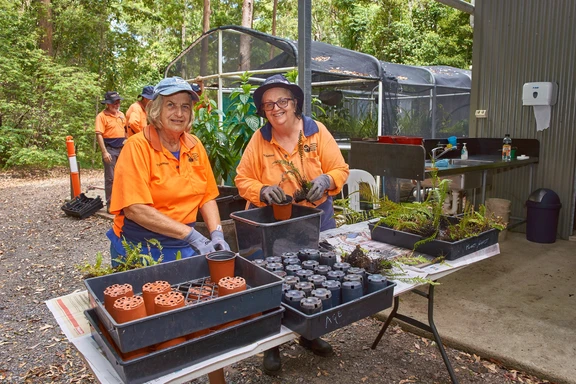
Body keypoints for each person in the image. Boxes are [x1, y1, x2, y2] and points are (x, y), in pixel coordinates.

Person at [234, 74, 349, 375]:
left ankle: (309, 334)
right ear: (263, 109)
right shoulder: (260, 139)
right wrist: (260, 191)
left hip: (314, 219)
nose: (276, 108)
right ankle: (271, 344)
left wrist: (326, 180)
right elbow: (242, 178)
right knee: (271, 281)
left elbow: (340, 168)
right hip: (272, 224)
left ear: (295, 103)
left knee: (313, 275)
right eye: (268, 104)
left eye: (282, 100)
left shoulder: (315, 132)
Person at [106, 76, 230, 265]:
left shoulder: (194, 146)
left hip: (184, 246)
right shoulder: (137, 147)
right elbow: (134, 209)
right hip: (140, 249)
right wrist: (192, 236)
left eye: (185, 107)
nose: (179, 113)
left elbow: (207, 196)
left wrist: (217, 233)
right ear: (157, 110)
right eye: (171, 105)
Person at [95, 91, 126, 212]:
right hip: (110, 149)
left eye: (118, 102)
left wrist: (127, 140)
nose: (116, 105)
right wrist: (104, 152)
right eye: (114, 103)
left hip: (122, 149)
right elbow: (99, 134)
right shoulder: (101, 116)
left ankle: (122, 203)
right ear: (108, 104)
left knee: (123, 176)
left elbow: (126, 129)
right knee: (111, 178)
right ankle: (111, 204)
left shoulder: (121, 115)